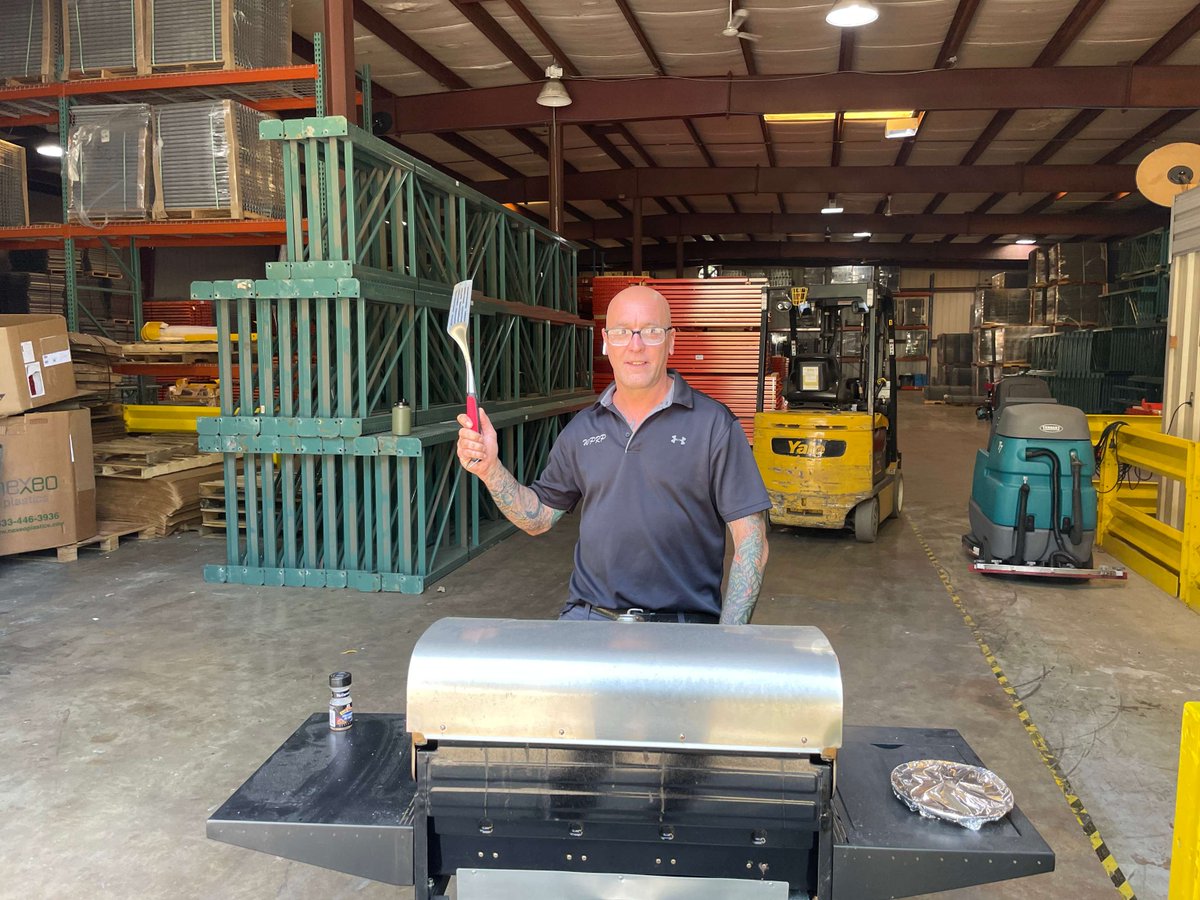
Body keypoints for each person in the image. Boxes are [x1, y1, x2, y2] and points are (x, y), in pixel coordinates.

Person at [455, 285, 770, 624]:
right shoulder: (582, 430)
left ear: (671, 341)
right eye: (621, 332)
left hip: (682, 625)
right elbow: (539, 519)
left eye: (651, 331)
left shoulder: (713, 426)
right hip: (590, 619)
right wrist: (490, 469)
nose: (635, 345)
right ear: (606, 341)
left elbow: (751, 543)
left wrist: (728, 640)